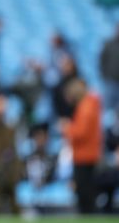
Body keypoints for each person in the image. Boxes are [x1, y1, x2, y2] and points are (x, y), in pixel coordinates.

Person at [59, 78, 103, 214]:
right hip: (89, 153)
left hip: (84, 155)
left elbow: (81, 132)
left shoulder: (85, 107)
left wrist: (67, 128)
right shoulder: (90, 105)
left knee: (85, 193)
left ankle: (89, 216)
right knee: (86, 191)